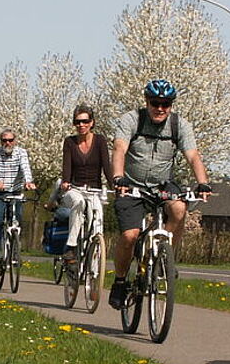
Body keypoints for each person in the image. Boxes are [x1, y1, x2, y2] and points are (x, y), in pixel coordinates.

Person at [108, 79, 211, 309]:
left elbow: (193, 155)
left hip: (163, 184)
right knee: (130, 236)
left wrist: (203, 182)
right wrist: (118, 177)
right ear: (147, 102)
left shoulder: (179, 125)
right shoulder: (132, 120)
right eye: (155, 103)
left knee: (179, 208)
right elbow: (119, 149)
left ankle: (165, 257)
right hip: (132, 185)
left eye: (166, 104)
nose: (160, 108)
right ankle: (120, 281)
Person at [58, 105, 112, 264]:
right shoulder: (69, 142)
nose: (81, 125)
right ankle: (71, 246)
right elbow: (66, 166)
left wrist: (114, 185)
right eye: (77, 122)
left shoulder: (100, 141)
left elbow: (106, 166)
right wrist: (66, 181)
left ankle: (95, 262)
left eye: (85, 121)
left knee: (97, 218)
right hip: (75, 188)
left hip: (94, 189)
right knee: (78, 203)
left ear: (91, 122)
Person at [0, 129, 36, 266]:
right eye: (4, 140)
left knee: (16, 221)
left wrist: (28, 181)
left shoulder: (21, 153)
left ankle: (15, 253)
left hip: (15, 192)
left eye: (10, 140)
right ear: (0, 141)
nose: (7, 143)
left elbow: (25, 167)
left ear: (15, 141)